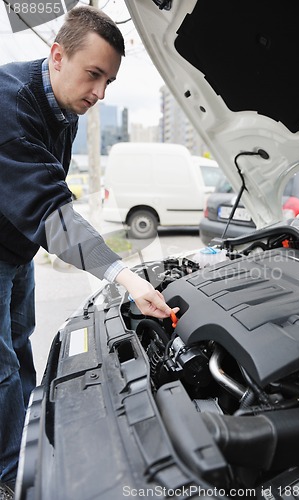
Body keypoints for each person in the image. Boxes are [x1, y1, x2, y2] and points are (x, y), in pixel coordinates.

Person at [0, 5, 177, 497]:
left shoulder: (64, 107)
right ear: (57, 56)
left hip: (15, 250)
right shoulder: (9, 103)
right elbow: (51, 213)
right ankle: (13, 478)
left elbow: (48, 194)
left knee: (20, 348)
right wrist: (125, 275)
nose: (99, 93)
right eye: (93, 75)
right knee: (1, 371)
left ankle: (28, 440)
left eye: (109, 82)